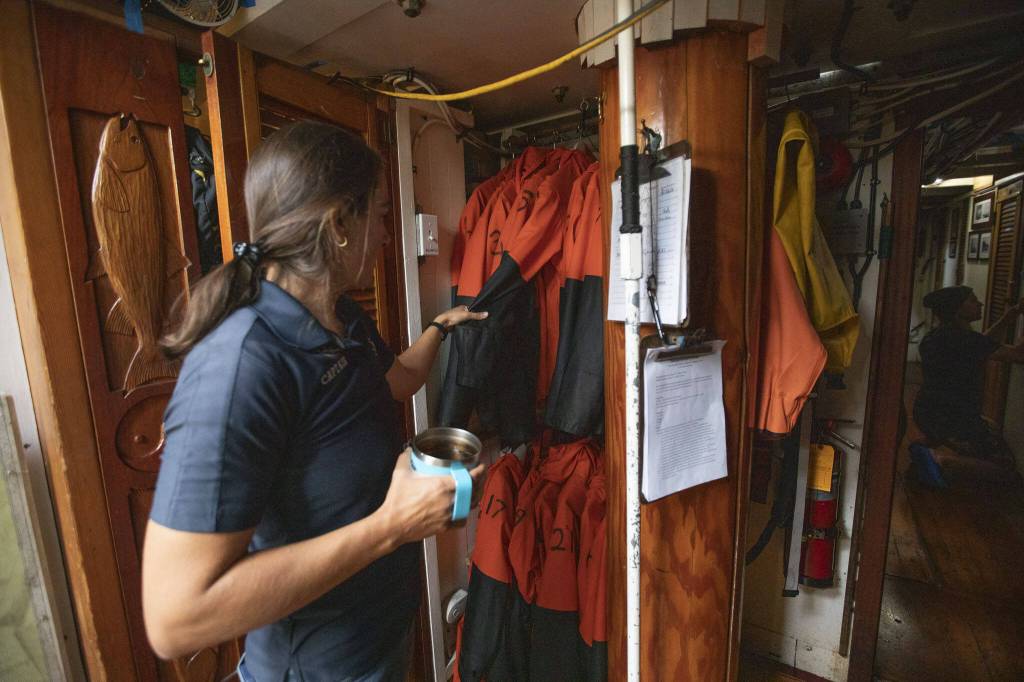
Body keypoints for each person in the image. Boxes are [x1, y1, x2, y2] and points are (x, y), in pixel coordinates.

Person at [141, 121, 487, 682]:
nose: (384, 233)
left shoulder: (341, 319)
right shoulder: (242, 364)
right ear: (339, 226)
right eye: (377, 215)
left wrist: (440, 328)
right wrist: (390, 527)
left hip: (377, 650)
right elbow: (176, 617)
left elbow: (397, 380)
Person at [914, 285, 1024, 460]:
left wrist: (1011, 315)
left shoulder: (939, 336)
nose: (980, 304)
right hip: (950, 418)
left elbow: (983, 344)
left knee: (990, 430)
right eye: (973, 300)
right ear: (957, 309)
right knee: (1006, 466)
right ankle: (943, 459)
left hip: (929, 412)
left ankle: (939, 449)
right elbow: (1019, 355)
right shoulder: (962, 339)